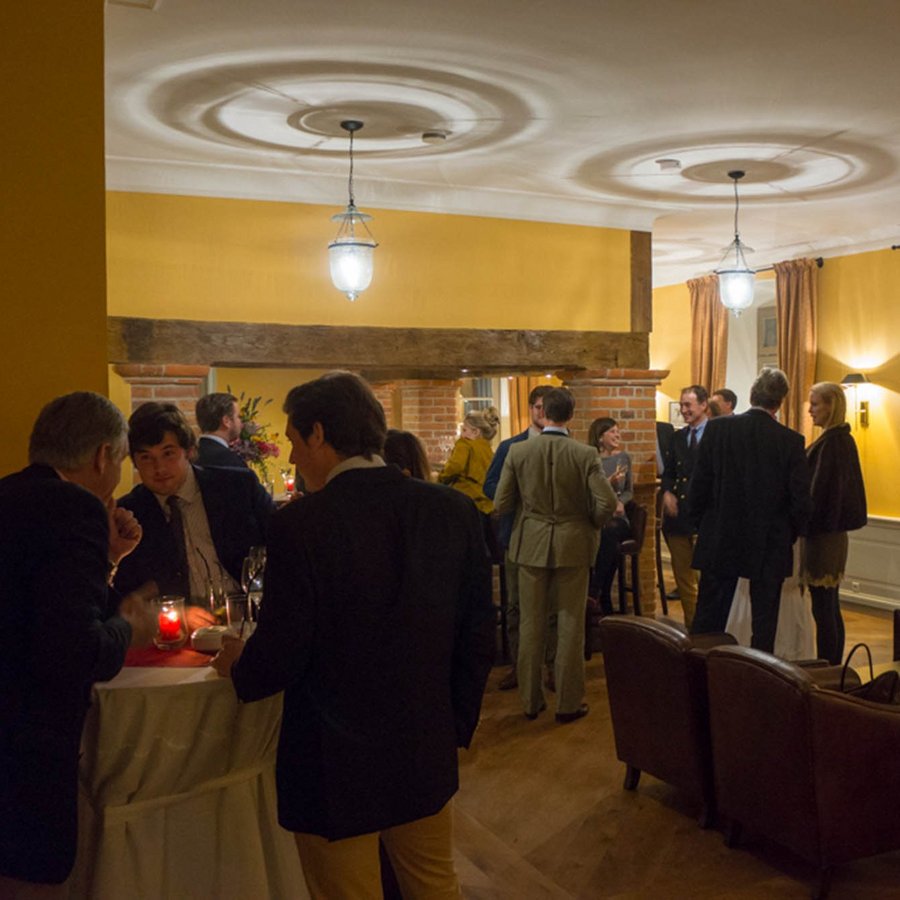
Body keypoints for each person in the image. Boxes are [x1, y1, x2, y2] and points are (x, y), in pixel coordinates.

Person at [211, 372, 494, 899]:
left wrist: (238, 664)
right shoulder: (450, 510)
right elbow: (478, 632)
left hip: (331, 759)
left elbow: (283, 653)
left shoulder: (300, 526)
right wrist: (451, 724)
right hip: (422, 743)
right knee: (435, 885)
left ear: (318, 433)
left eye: (294, 442)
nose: (293, 459)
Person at [0, 392, 156, 894]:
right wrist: (130, 627)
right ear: (103, 456)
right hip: (25, 746)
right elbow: (79, 650)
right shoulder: (76, 507)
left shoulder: (8, 494)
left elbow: (40, 601)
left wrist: (110, 559)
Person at [494, 387, 617, 723]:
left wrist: (528, 518)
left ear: (544, 413)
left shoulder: (518, 452)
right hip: (574, 545)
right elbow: (606, 503)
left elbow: (501, 504)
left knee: (531, 623)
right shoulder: (584, 454)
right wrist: (590, 524)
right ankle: (568, 702)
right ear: (571, 416)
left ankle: (530, 702)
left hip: (529, 545)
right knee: (569, 624)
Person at [689, 367, 812, 652]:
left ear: (751, 395)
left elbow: (699, 487)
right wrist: (789, 535)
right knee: (764, 625)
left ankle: (698, 681)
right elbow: (800, 501)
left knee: (708, 622)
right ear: (780, 402)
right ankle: (757, 685)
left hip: (720, 536)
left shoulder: (718, 430)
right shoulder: (790, 441)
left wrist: (702, 526)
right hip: (769, 542)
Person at [114, 402, 274, 610]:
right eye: (146, 458)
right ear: (134, 462)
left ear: (188, 451)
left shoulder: (237, 487)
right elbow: (126, 595)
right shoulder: (130, 513)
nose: (159, 468)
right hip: (176, 632)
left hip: (250, 616)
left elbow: (280, 546)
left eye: (168, 453)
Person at [483, 385, 555, 691]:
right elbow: (490, 486)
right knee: (515, 606)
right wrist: (517, 496)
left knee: (552, 605)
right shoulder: (510, 447)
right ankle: (520, 666)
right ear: (531, 409)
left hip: (552, 537)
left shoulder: (563, 446)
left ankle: (552, 666)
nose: (542, 412)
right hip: (516, 534)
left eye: (547, 407)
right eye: (538, 407)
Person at [801, 381, 867, 663]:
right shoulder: (838, 440)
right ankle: (832, 664)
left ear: (831, 406)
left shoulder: (833, 443)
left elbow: (821, 494)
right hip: (830, 534)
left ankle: (828, 665)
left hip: (824, 535)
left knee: (824, 607)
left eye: (815, 404)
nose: (810, 409)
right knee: (829, 605)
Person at [660, 385, 710, 629]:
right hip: (678, 518)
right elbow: (668, 472)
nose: (684, 410)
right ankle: (694, 629)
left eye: (688, 405)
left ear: (703, 405)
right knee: (684, 579)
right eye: (682, 405)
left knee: (705, 577)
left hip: (705, 518)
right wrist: (667, 492)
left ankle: (709, 627)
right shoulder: (677, 437)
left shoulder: (717, 435)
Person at [438, 405, 500, 555]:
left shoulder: (464, 444)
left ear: (476, 432)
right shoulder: (487, 448)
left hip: (467, 502)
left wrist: (441, 478)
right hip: (487, 505)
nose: (461, 435)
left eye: (464, 430)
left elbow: (455, 466)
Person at [587, 417, 633, 615]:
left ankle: (594, 589)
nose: (617, 435)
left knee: (611, 531)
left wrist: (621, 501)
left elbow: (629, 490)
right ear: (600, 436)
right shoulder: (591, 459)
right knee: (608, 540)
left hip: (618, 518)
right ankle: (604, 597)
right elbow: (589, 490)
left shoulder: (623, 458)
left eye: (618, 431)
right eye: (612, 431)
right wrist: (608, 482)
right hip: (598, 515)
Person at [195, 392, 247, 468]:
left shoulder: (190, 455)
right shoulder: (232, 462)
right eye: (238, 416)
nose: (241, 421)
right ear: (226, 421)